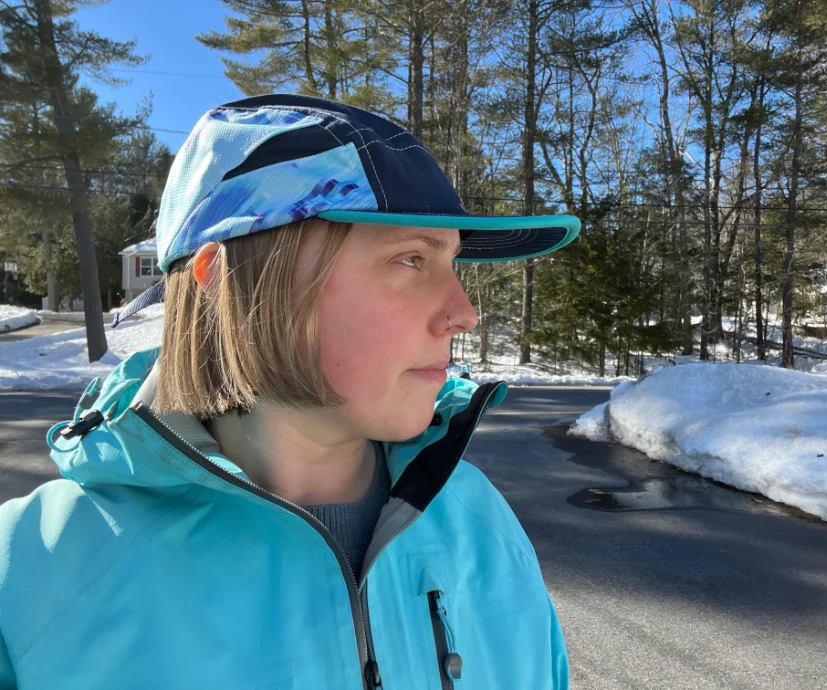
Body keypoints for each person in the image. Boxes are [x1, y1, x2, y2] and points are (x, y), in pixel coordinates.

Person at [0, 95, 580, 689]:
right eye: (410, 259)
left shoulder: (479, 523)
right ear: (226, 284)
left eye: (453, 263)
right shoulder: (30, 579)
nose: (464, 313)